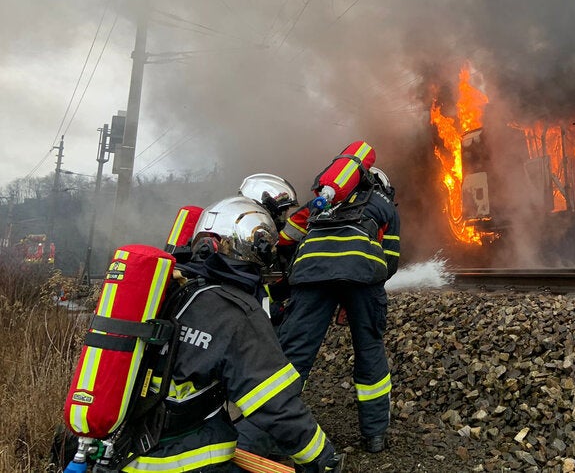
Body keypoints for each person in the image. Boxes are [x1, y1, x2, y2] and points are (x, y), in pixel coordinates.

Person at [127, 195, 345, 473]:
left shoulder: (170, 289)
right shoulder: (235, 313)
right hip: (179, 461)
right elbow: (276, 406)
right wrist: (323, 459)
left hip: (120, 450)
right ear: (254, 249)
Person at [276, 158, 400, 454]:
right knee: (369, 350)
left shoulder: (323, 200)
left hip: (311, 272)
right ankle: (374, 436)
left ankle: (271, 434)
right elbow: (391, 260)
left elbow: (286, 237)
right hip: (362, 275)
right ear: (381, 185)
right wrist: (360, 292)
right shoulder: (385, 205)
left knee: (295, 351)